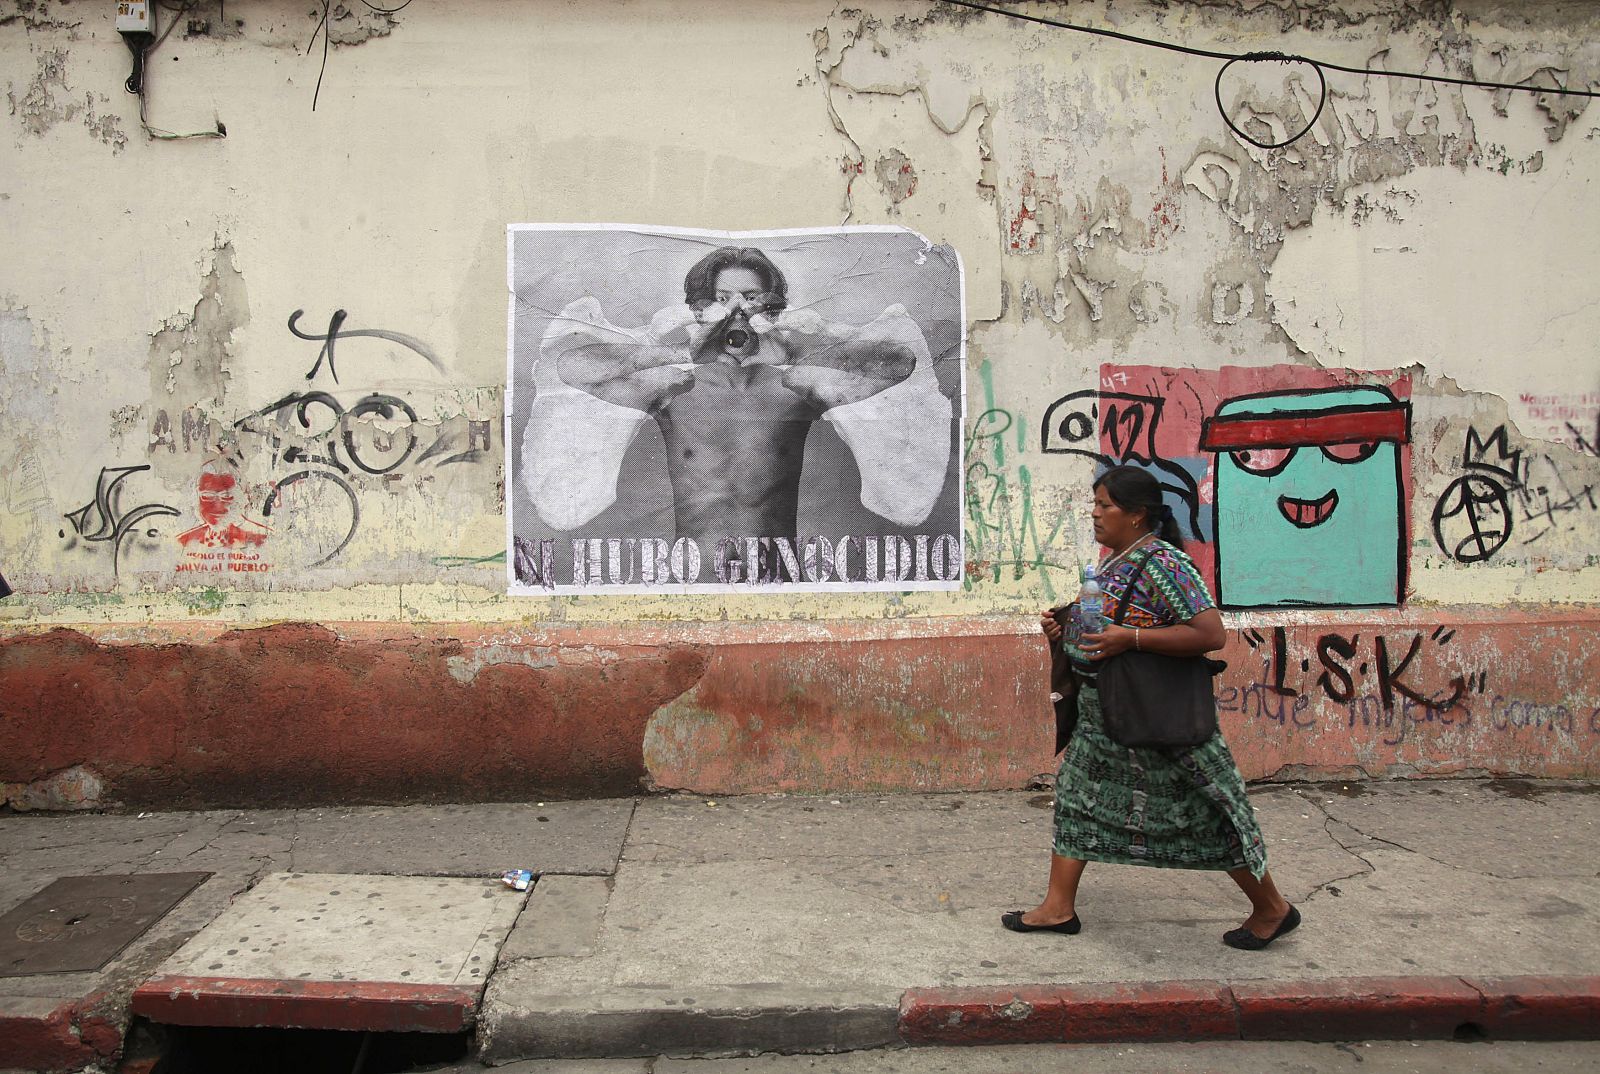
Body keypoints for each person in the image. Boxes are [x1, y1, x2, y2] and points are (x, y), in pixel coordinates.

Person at [1005, 464, 1300, 951]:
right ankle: (1058, 909)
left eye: (1106, 505)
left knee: (1208, 811)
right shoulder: (1117, 560)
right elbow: (1105, 628)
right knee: (1077, 805)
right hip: (1106, 721)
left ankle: (1272, 907)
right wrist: (1065, 632)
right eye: (1095, 504)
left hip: (1156, 722)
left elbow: (1210, 634)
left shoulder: (1164, 564)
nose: (1095, 513)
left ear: (1138, 515)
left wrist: (1130, 638)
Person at [520, 244, 952, 563]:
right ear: (698, 308)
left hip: (777, 580)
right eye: (722, 300)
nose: (737, 313)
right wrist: (682, 350)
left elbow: (899, 363)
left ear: (773, 308)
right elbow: (573, 367)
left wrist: (805, 339)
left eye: (752, 299)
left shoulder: (796, 385)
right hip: (692, 579)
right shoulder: (671, 388)